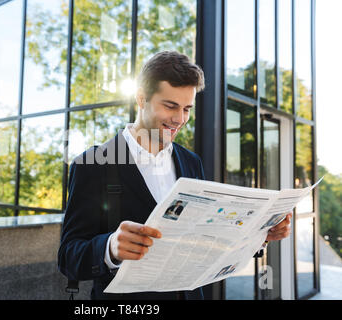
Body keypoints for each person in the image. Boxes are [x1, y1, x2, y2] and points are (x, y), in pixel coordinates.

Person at [57, 51, 292, 300]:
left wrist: (259, 236)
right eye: (170, 106)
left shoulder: (191, 162)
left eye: (187, 109)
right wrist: (110, 248)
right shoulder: (92, 164)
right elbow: (68, 256)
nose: (179, 119)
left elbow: (206, 238)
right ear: (141, 98)